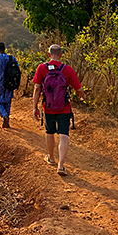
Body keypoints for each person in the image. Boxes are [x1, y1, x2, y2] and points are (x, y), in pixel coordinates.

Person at [32, 44, 85, 176]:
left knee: (50, 132)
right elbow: (78, 89)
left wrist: (35, 107)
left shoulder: (42, 68)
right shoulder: (67, 70)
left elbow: (37, 88)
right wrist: (83, 96)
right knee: (63, 134)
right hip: (64, 108)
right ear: (61, 55)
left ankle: (51, 158)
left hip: (48, 108)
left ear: (49, 55)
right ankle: (61, 165)